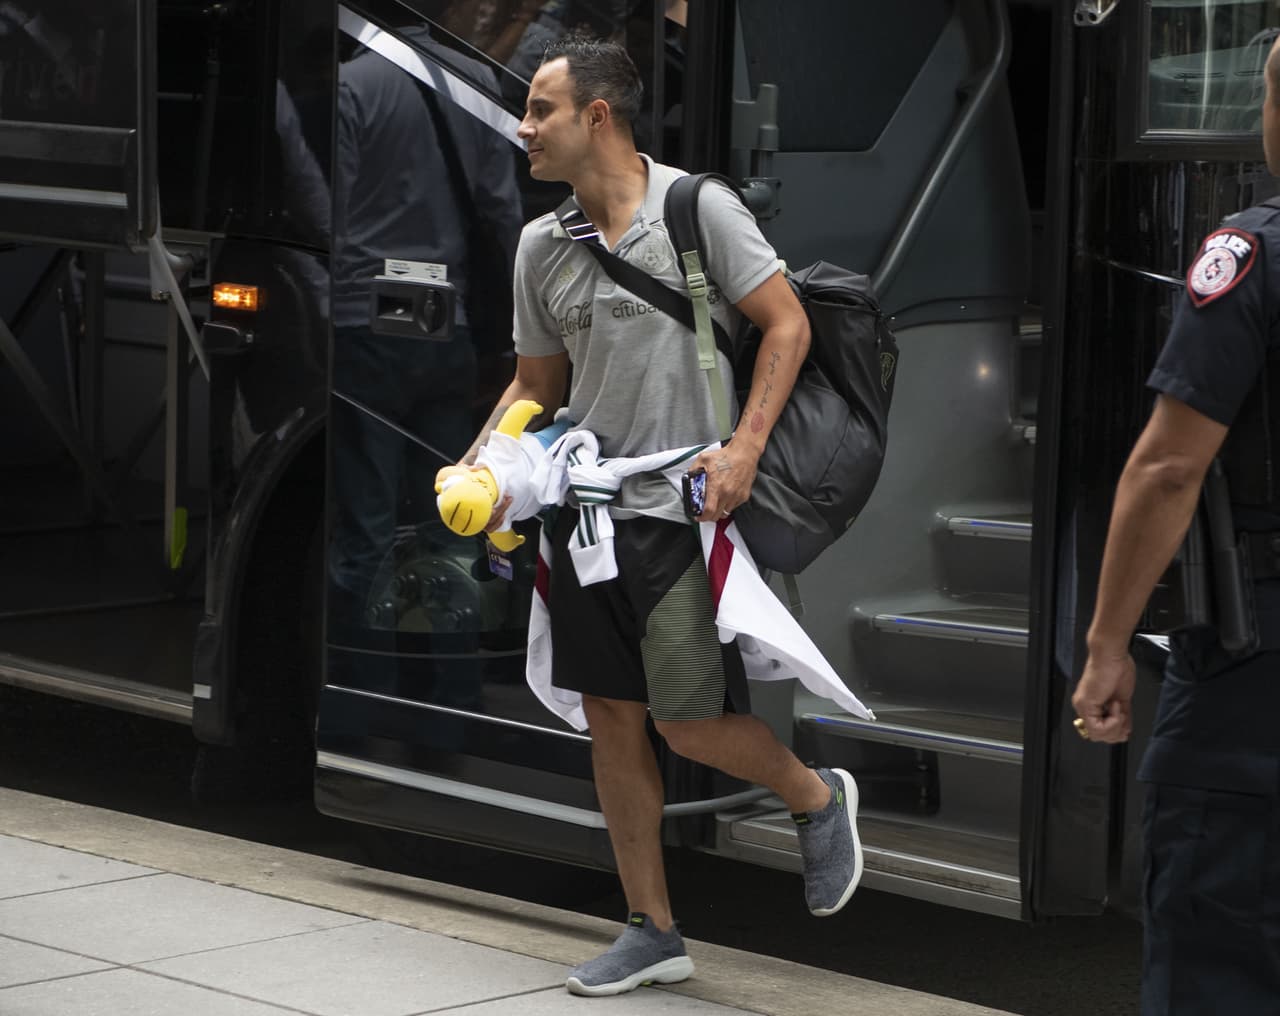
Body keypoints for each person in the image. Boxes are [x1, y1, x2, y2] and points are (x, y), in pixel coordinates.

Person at [444, 34, 863, 998]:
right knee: (611, 722)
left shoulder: (694, 210)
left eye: (540, 110)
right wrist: (481, 464)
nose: (524, 128)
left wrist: (745, 450)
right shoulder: (540, 245)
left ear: (598, 116)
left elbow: (788, 323)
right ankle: (651, 929)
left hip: (681, 512)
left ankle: (812, 792)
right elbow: (535, 385)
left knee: (683, 721)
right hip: (586, 519)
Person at [1072, 34, 1280, 1016]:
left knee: (1212, 941)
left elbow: (1166, 467)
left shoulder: (1246, 255)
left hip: (1252, 676)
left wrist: (1108, 640)